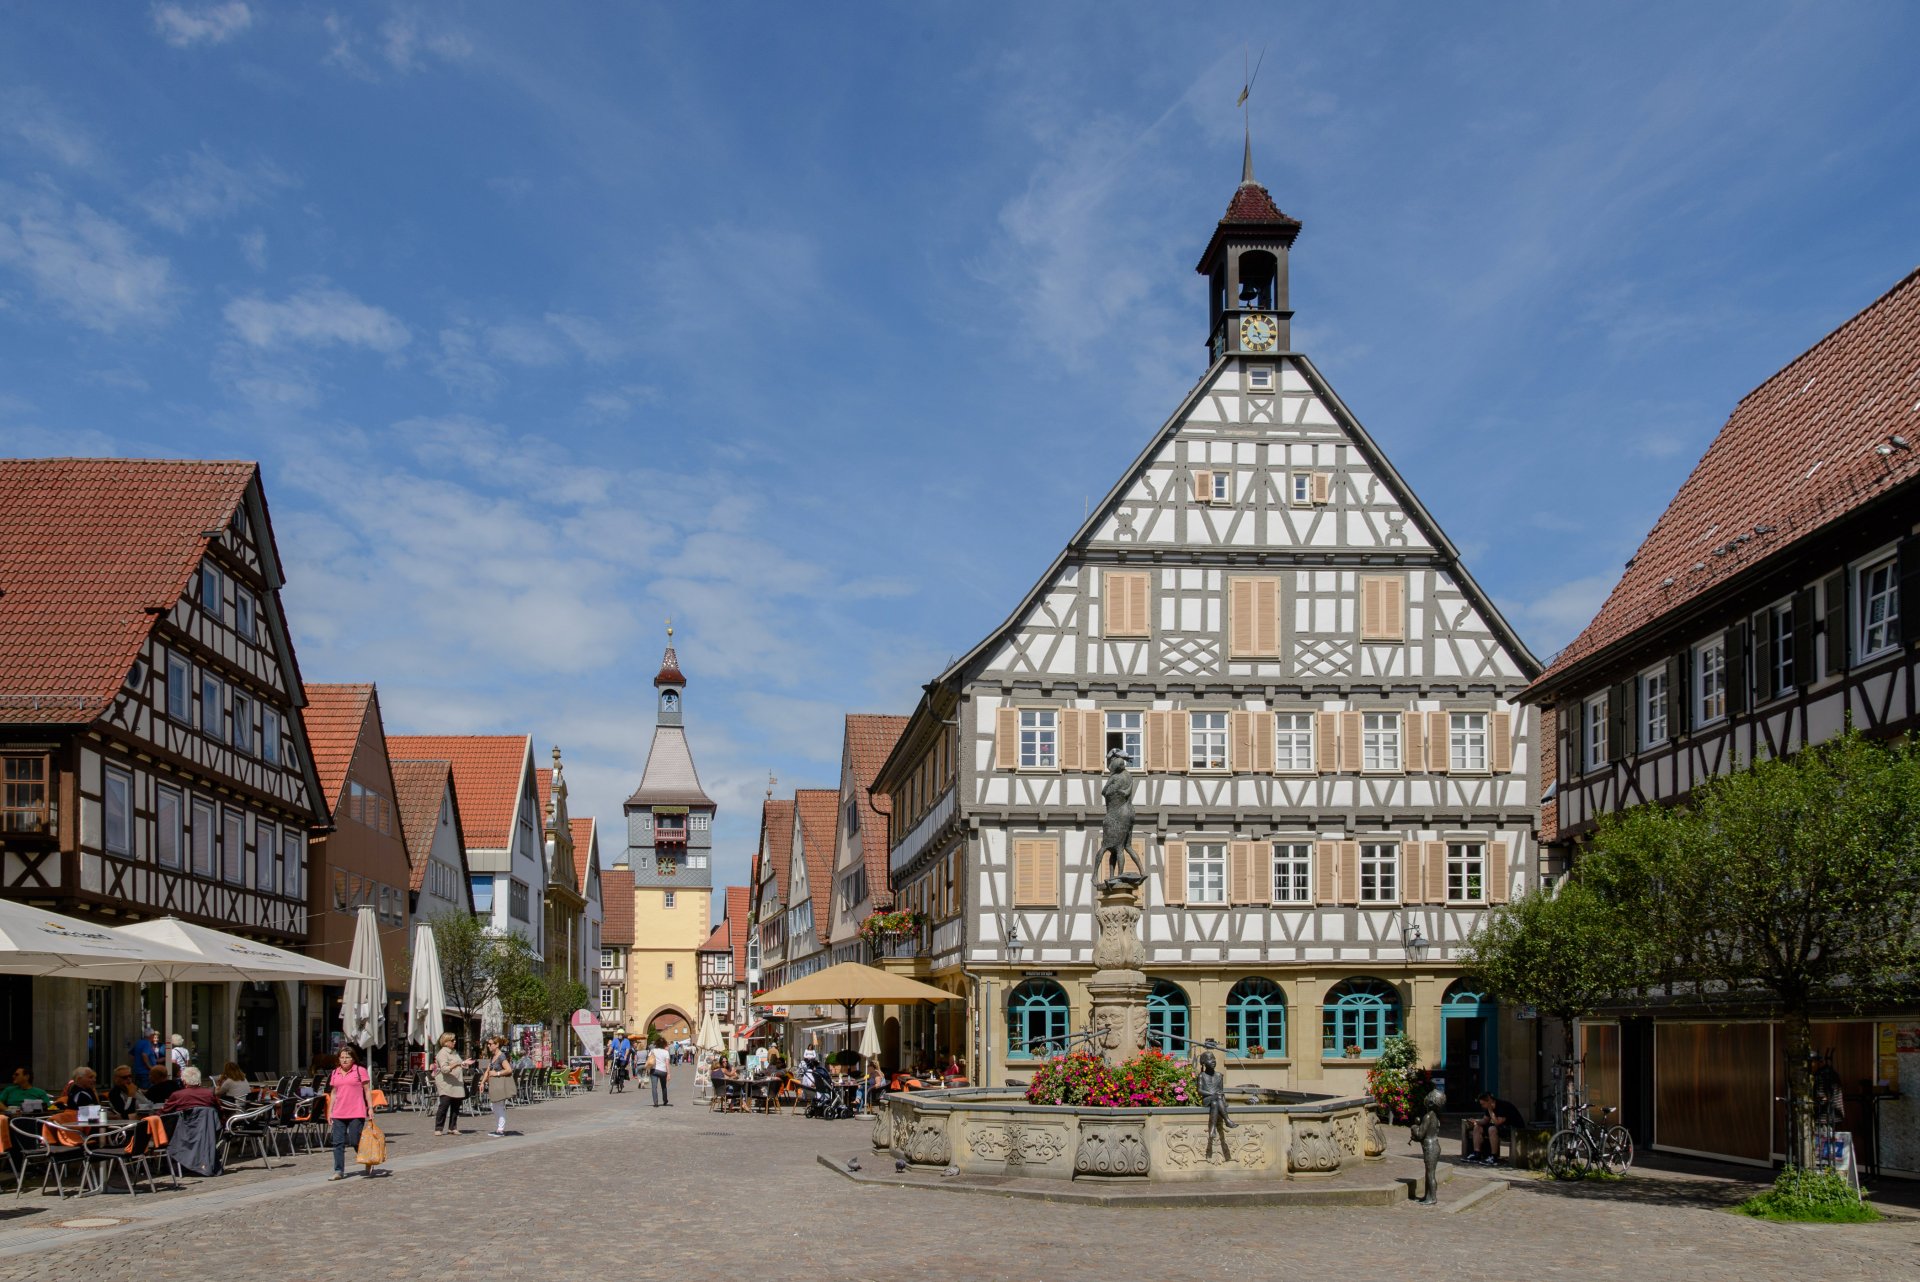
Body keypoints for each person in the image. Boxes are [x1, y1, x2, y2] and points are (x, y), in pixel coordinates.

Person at [325, 1045, 374, 1180]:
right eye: (342, 1057)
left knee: (354, 1140)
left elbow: (367, 1090)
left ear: (353, 1059)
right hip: (339, 1113)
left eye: (347, 1057)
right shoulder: (335, 1072)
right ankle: (338, 1171)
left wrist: (370, 1107)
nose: (344, 1060)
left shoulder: (360, 1071)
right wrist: (329, 1111)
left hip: (356, 1112)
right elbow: (333, 1093)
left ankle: (367, 1160)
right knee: (338, 1143)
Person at [1465, 1092, 1526, 1165]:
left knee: (1492, 1129)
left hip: (1514, 1129)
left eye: (1483, 1104)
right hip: (1502, 1127)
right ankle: (1476, 1153)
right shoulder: (1488, 1107)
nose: (1482, 1106)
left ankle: (1493, 1156)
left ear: (1489, 1100)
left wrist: (1490, 1110)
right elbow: (1485, 1120)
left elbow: (1497, 1122)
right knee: (1477, 1127)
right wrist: (1476, 1122)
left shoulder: (1502, 1105)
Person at [432, 1033, 472, 1135]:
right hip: (446, 1083)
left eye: (455, 1040)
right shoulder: (442, 1053)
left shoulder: (454, 1052)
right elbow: (445, 1069)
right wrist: (458, 1064)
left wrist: (464, 1063)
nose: (455, 1041)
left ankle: (452, 1127)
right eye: (452, 1040)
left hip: (457, 1082)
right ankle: (438, 1128)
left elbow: (459, 1063)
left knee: (456, 1105)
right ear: (446, 1042)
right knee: (444, 1105)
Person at [479, 1035, 514, 1137]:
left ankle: (500, 1130)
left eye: (490, 1044)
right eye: (488, 1044)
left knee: (499, 1106)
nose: (488, 1046)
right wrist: (482, 1082)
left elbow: (509, 1069)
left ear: (497, 1045)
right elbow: (488, 1070)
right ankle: (499, 1128)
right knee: (494, 1106)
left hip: (500, 1084)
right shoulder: (493, 1056)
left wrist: (497, 1073)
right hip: (494, 1085)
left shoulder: (501, 1056)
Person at [646, 1035, 671, 1107]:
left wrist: (648, 1069)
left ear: (656, 1043)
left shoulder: (653, 1051)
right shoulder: (666, 1052)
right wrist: (669, 1074)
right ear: (664, 1044)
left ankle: (655, 1103)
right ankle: (665, 1100)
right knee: (664, 1086)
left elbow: (649, 1060)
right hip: (663, 1071)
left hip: (654, 1070)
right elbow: (667, 1064)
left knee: (654, 1087)